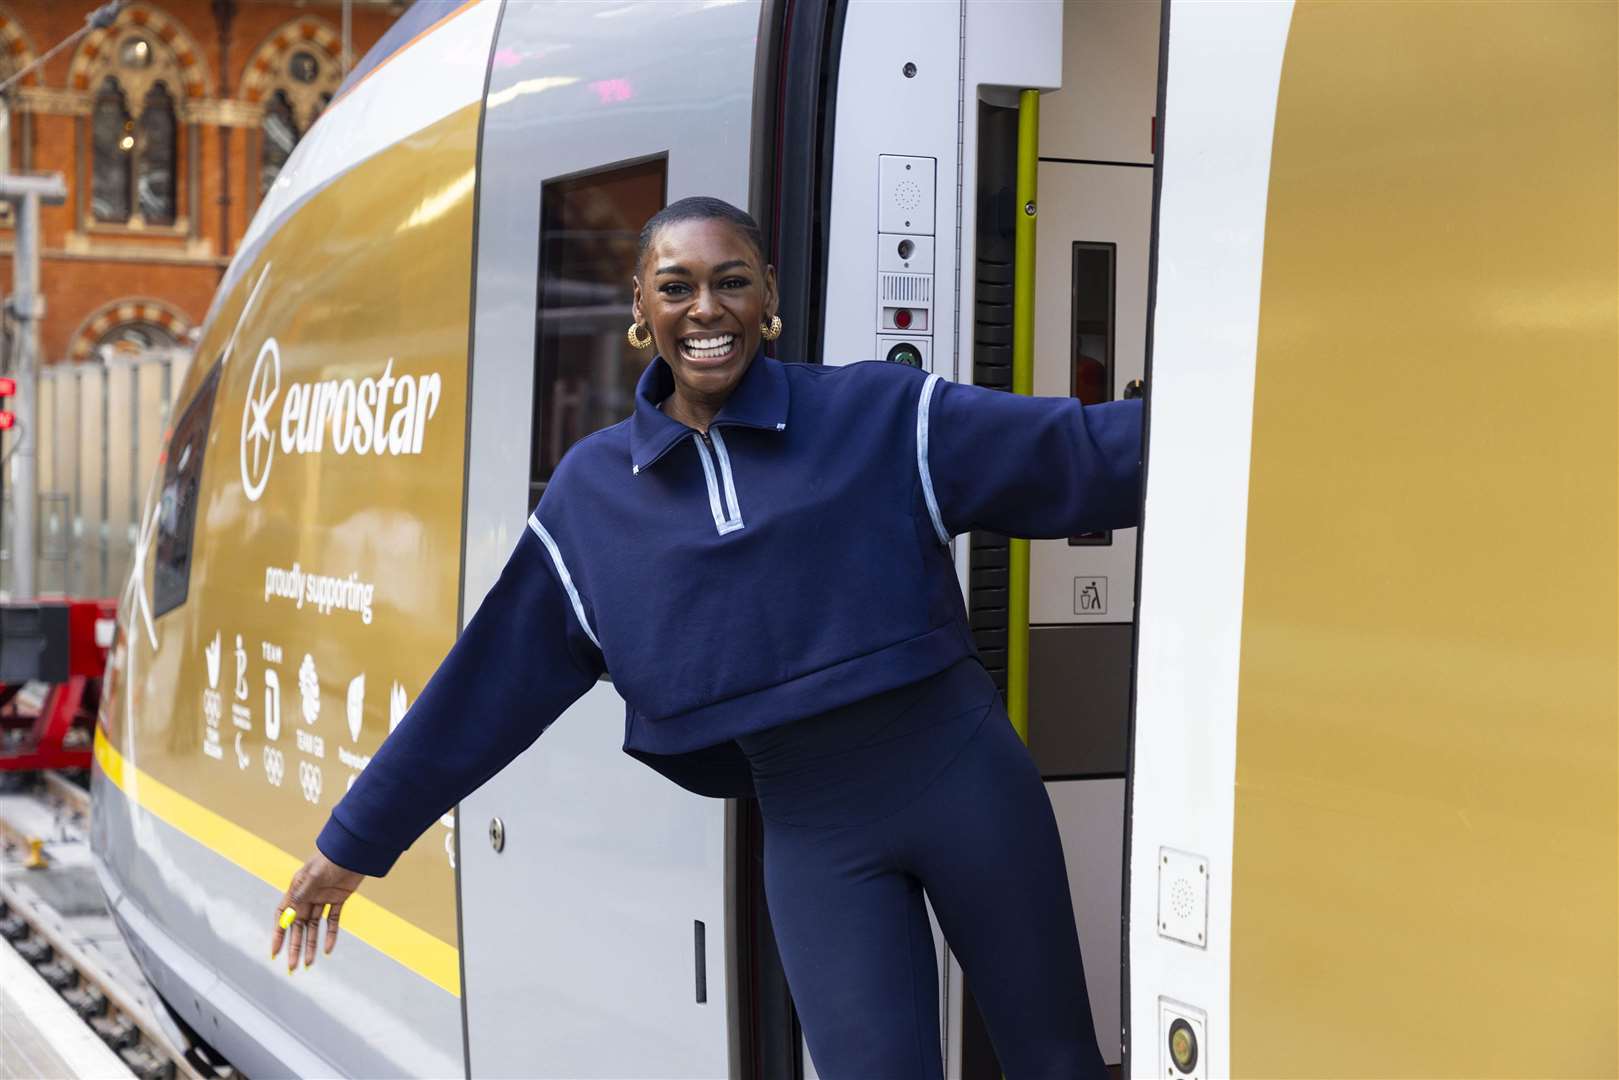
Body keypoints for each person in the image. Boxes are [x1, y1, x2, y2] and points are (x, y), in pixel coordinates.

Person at [269, 196, 1142, 1078]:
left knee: (1055, 1063)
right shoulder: (592, 496)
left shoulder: (880, 414)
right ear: (641, 311)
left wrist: (1254, 415)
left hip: (968, 785)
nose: (705, 309)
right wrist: (353, 846)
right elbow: (485, 687)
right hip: (813, 834)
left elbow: (1078, 453)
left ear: (767, 297)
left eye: (731, 282)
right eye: (675, 286)